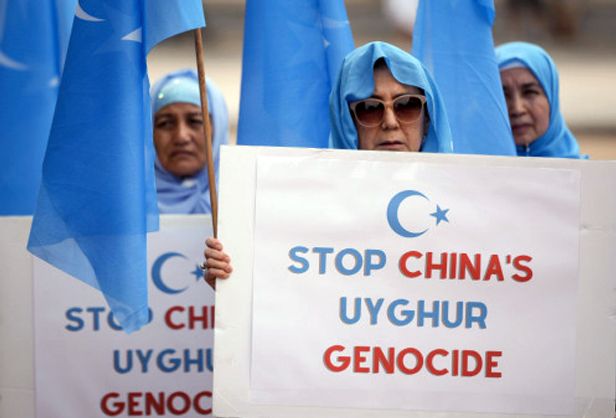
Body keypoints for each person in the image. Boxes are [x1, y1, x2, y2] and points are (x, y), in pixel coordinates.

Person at [203, 41, 453, 288]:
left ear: (428, 120)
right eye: (369, 108)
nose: (389, 122)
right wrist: (233, 286)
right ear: (346, 123)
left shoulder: (466, 211)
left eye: (407, 105)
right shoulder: (300, 215)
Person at [151, 69, 229, 214]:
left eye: (195, 121)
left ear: (218, 129)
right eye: (166, 123)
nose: (181, 137)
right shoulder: (125, 211)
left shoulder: (243, 205)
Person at [495, 41, 584, 158]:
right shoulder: (471, 170)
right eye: (503, 96)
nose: (517, 109)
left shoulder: (585, 174)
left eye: (530, 92)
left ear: (551, 99)